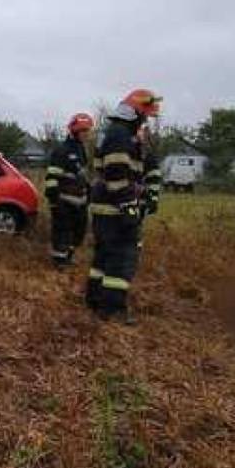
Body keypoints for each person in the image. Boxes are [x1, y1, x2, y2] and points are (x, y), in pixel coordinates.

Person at [86, 89, 163, 324]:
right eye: (145, 115)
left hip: (107, 208)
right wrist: (129, 204)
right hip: (115, 209)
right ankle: (113, 309)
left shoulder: (119, 133)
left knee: (104, 258)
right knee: (121, 259)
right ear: (135, 112)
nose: (146, 119)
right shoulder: (120, 135)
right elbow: (117, 173)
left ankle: (95, 300)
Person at [44, 113, 94, 267]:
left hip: (80, 201)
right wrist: (54, 201)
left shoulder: (81, 150)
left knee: (79, 232)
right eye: (83, 131)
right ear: (75, 131)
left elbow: (82, 175)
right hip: (63, 200)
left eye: (88, 131)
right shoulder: (62, 150)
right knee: (62, 232)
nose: (87, 134)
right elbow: (52, 177)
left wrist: (88, 193)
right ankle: (59, 261)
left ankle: (68, 257)